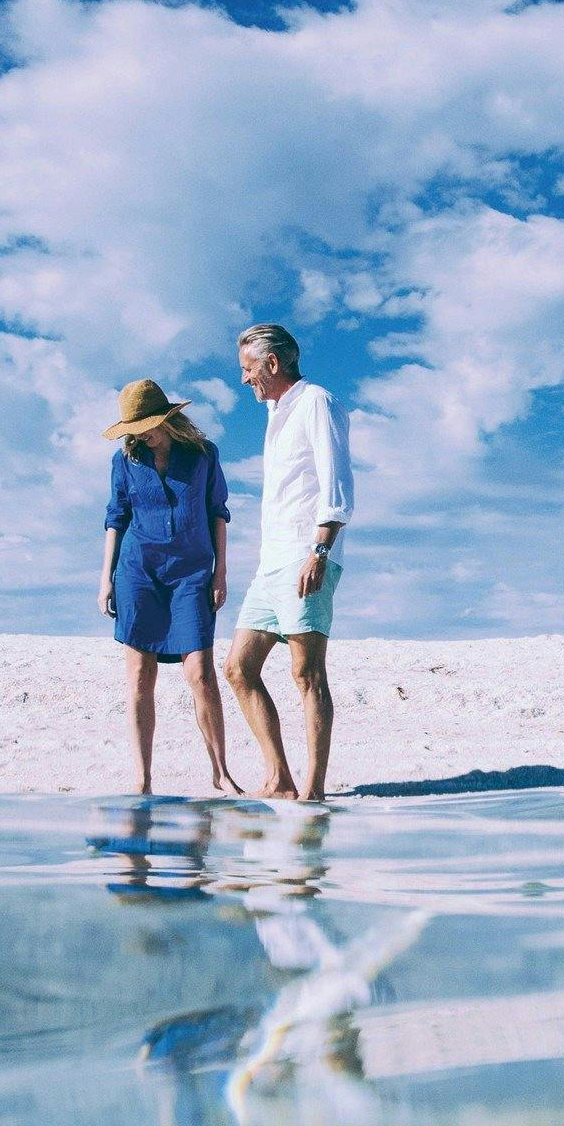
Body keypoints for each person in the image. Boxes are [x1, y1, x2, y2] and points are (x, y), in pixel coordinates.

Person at [225, 322, 352, 801]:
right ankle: (279, 778)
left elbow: (336, 480)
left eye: (248, 369)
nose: (244, 379)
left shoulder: (316, 401)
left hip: (306, 554)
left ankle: (313, 790)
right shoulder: (276, 413)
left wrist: (319, 550)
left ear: (273, 363)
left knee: (306, 673)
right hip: (271, 563)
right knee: (238, 668)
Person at [100, 378, 241, 797]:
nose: (139, 435)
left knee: (201, 673)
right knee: (140, 675)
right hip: (137, 573)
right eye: (132, 428)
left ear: (165, 419)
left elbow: (218, 512)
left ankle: (221, 772)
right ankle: (143, 778)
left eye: (145, 425)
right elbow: (116, 518)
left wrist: (220, 572)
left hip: (191, 574)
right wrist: (105, 578)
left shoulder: (203, 455)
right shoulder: (125, 460)